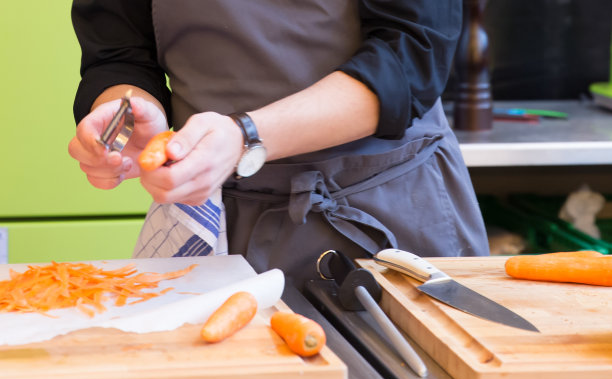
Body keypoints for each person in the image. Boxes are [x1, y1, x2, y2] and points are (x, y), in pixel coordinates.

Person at [68, 0, 489, 290]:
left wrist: (246, 137)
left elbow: (410, 56)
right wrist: (128, 118)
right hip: (219, 220)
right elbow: (119, 53)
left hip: (385, 218)